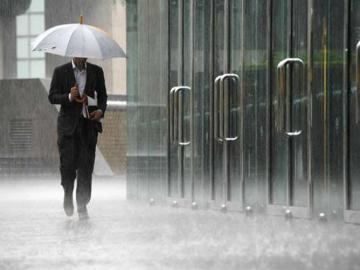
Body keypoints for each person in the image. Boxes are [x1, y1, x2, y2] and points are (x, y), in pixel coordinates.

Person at [48, 57, 107, 220]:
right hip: (68, 128)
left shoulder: (96, 71)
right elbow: (52, 96)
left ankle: (82, 204)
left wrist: (100, 111)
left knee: (86, 167)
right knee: (67, 165)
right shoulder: (60, 71)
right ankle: (68, 192)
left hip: (88, 126)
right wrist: (68, 96)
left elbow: (103, 96)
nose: (83, 56)